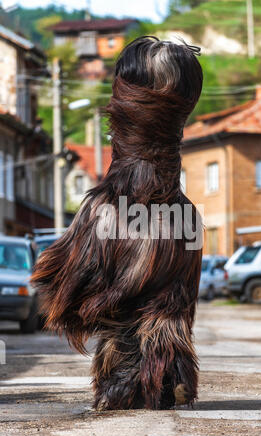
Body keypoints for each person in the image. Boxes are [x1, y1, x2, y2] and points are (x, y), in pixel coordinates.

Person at [32, 36, 203, 410]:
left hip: (121, 201)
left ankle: (125, 380)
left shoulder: (101, 208)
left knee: (104, 297)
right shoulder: (186, 82)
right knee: (168, 307)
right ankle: (166, 373)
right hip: (173, 212)